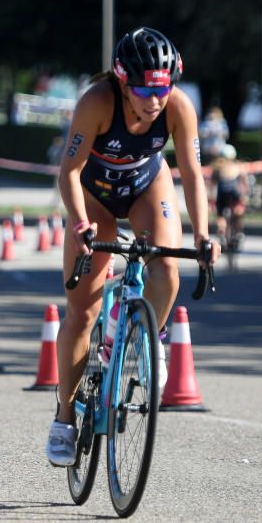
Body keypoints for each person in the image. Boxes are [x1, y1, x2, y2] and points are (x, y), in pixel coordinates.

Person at [48, 26, 219, 467]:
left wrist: (203, 233)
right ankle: (65, 418)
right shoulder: (97, 101)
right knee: (81, 312)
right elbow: (68, 172)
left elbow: (194, 176)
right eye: (144, 88)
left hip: (145, 185)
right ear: (123, 80)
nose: (154, 99)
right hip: (94, 194)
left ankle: (150, 338)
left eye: (163, 87)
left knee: (166, 268)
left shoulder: (178, 107)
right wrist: (81, 224)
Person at [209, 143, 249, 247]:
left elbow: (212, 185)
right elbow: (244, 183)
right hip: (234, 191)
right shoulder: (238, 165)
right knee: (238, 211)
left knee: (220, 215)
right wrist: (245, 196)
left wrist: (211, 199)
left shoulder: (217, 167)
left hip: (222, 191)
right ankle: (239, 232)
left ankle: (221, 233)